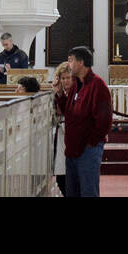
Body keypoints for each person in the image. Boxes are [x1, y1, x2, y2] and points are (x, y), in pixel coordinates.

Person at [62, 45, 111, 197]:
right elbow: (69, 113)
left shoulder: (98, 85)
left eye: (70, 61)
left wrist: (91, 141)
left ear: (81, 62)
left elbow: (104, 120)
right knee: (72, 191)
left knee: (88, 191)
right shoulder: (76, 84)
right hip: (72, 147)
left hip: (87, 148)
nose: (68, 64)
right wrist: (59, 96)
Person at [51, 62, 74, 194]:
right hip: (61, 134)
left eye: (67, 78)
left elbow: (66, 111)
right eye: (63, 78)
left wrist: (59, 95)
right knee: (61, 177)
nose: (65, 81)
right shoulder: (60, 92)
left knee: (69, 177)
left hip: (72, 136)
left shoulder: (76, 92)